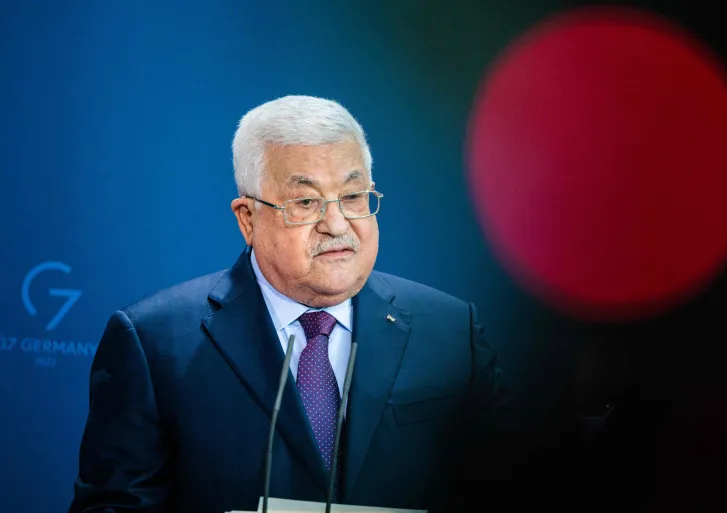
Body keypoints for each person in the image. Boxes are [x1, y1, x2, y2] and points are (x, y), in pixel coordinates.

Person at [69, 95, 511, 513]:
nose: (337, 224)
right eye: (305, 202)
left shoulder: (451, 332)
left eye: (353, 197)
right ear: (248, 219)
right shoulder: (155, 343)